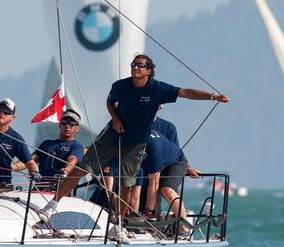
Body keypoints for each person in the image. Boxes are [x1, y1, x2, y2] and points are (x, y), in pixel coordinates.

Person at [43, 54, 229, 222]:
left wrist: (213, 97)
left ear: (149, 70)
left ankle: (121, 223)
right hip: (113, 135)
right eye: (133, 64)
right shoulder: (121, 86)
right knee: (83, 168)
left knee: (127, 183)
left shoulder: (157, 89)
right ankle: (52, 204)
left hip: (136, 143)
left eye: (140, 65)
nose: (135, 67)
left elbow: (185, 93)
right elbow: (110, 102)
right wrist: (115, 118)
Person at [0, 98, 39, 184]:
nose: (2, 113)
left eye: (6, 112)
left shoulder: (15, 139)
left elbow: (30, 163)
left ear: (12, 117)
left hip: (1, 185)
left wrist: (35, 172)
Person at [36, 109, 85, 187]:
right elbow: (29, 160)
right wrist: (11, 167)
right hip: (38, 189)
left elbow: (72, 160)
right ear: (60, 125)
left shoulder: (77, 146)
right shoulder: (46, 144)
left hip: (60, 191)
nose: (67, 126)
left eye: (72, 123)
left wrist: (66, 170)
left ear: (77, 128)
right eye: (64, 122)